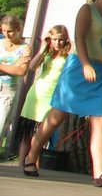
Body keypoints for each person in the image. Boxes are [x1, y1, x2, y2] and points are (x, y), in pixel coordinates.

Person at [23, 0, 102, 186]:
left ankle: (99, 173)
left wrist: (100, 65)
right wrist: (86, 64)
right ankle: (31, 156)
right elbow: (79, 37)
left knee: (100, 119)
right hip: (79, 67)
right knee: (57, 115)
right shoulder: (88, 10)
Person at [17, 25, 71, 169]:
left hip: (53, 96)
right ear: (50, 39)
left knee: (42, 133)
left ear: (66, 40)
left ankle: (34, 164)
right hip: (37, 93)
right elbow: (32, 67)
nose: (57, 43)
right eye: (54, 39)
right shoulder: (46, 54)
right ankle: (21, 165)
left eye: (61, 40)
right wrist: (42, 48)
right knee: (27, 132)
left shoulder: (68, 57)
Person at [0, 15, 31, 152]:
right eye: (4, 31)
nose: (6, 34)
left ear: (19, 29)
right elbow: (16, 68)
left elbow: (21, 71)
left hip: (8, 90)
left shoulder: (25, 48)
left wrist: (5, 67)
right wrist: (14, 64)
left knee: (1, 125)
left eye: (10, 31)